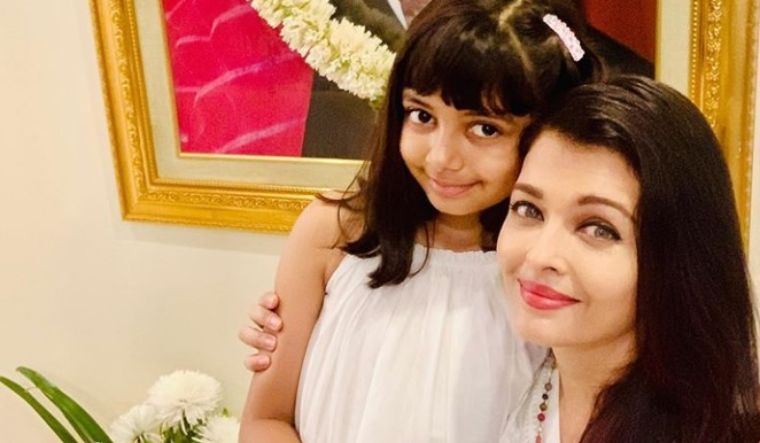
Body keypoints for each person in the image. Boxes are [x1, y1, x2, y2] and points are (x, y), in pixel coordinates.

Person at [238, 0, 602, 441]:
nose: (442, 157)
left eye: (484, 128)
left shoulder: (553, 270)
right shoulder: (333, 231)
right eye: (422, 116)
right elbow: (266, 419)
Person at [499, 76, 760, 442]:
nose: (540, 255)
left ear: (676, 260)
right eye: (529, 209)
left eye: (598, 229)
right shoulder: (522, 381)